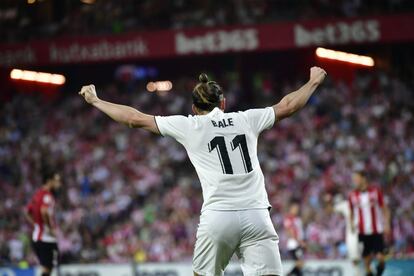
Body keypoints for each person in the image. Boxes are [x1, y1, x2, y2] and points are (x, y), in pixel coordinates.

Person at [79, 66, 327, 276]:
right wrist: (313, 81)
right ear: (223, 102)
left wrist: (96, 101)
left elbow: (135, 119)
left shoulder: (190, 125)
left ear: (194, 108)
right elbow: (287, 106)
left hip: (218, 216)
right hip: (257, 214)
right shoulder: (247, 119)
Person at [349, 168, 390, 276]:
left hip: (376, 230)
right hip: (362, 232)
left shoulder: (375, 191)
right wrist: (352, 223)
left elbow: (384, 208)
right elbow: (351, 211)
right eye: (354, 179)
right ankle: (369, 273)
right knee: (366, 260)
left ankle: (380, 269)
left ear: (363, 179)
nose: (355, 181)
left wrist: (387, 223)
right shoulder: (352, 195)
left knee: (380, 257)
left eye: (356, 178)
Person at [25, 165, 61, 276]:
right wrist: (49, 229)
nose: (59, 184)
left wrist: (37, 225)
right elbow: (44, 211)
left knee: (48, 268)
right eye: (57, 181)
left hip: (37, 237)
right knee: (47, 269)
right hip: (46, 239)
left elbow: (27, 212)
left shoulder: (37, 195)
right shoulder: (47, 196)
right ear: (49, 181)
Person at [284, 201, 305, 276]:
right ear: (291, 209)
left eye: (297, 208)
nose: (296, 210)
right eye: (295, 208)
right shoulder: (289, 218)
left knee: (300, 264)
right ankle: (288, 274)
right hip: (293, 244)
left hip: (297, 243)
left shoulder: (297, 218)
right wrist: (299, 241)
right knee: (300, 263)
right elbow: (289, 231)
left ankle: (290, 274)